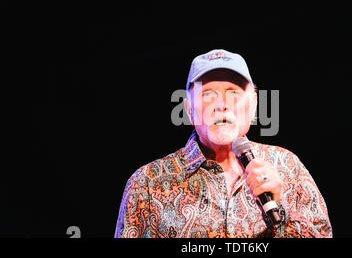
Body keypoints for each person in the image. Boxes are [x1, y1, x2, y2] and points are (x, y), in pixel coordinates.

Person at [114, 49, 332, 238]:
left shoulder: (288, 167)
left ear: (254, 105)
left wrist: (279, 212)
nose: (221, 105)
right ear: (189, 109)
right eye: (208, 94)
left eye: (233, 93)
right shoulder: (147, 183)